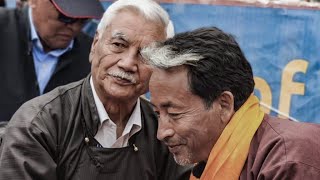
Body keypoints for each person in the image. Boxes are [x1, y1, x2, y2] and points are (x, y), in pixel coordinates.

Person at [0, 0, 190, 179]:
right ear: (94, 45)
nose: (127, 63)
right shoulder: (39, 124)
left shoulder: (165, 131)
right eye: (118, 45)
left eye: (146, 55)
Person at [142, 27, 320, 180]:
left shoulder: (290, 158)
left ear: (224, 105)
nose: (161, 133)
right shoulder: (210, 162)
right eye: (158, 114)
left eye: (174, 114)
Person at [0, 0, 104, 122]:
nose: (74, 27)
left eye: (83, 19)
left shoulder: (92, 57)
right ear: (34, 2)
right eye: (66, 17)